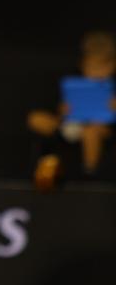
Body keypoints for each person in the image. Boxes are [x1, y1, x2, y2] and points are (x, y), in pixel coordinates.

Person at [29, 30, 116, 190]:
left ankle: (90, 177)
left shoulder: (112, 87)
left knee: (91, 132)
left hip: (101, 129)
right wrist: (62, 111)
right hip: (71, 125)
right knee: (37, 119)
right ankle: (47, 169)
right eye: (93, 66)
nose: (97, 72)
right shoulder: (72, 82)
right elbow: (55, 110)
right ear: (83, 63)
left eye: (102, 66)